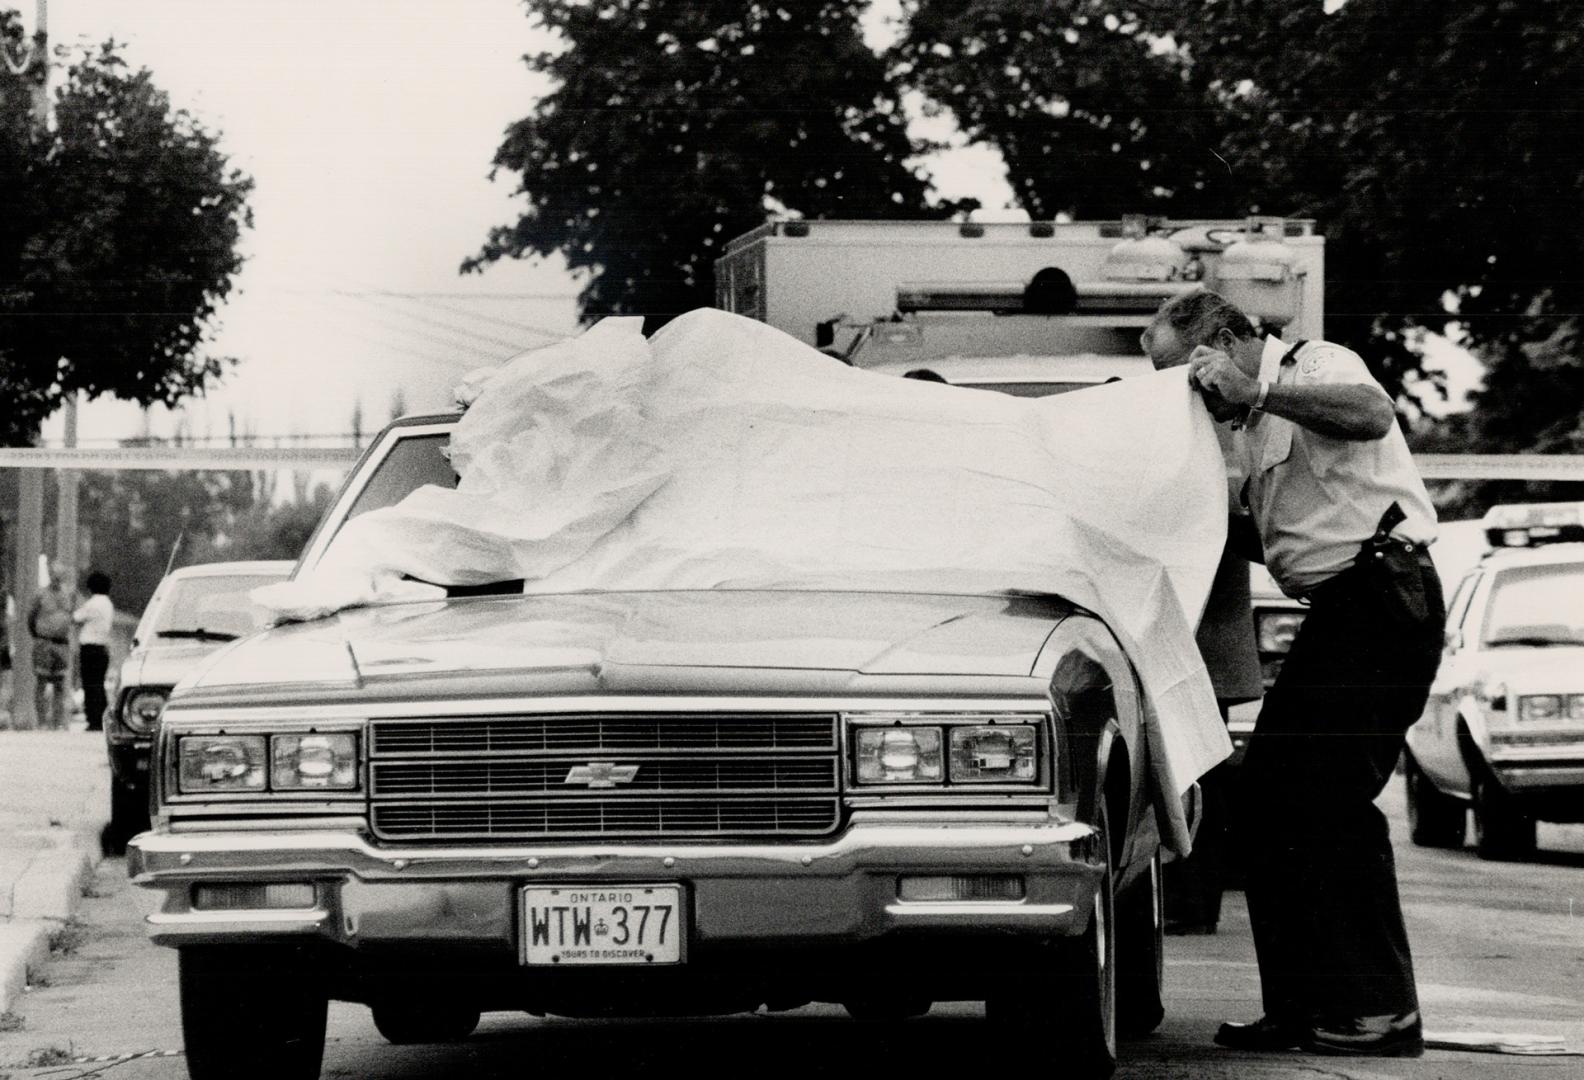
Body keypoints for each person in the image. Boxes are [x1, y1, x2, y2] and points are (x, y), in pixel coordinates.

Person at [1143, 289, 1442, 1059]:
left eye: (1186, 372)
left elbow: (1371, 415)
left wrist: (1259, 389)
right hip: (1343, 610)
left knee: (1328, 799)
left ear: (1229, 339)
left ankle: (1379, 1011)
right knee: (1267, 800)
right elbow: (1276, 535)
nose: (1188, 394)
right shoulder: (1249, 431)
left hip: (1379, 596)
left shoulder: (1313, 365)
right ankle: (1304, 1006)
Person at [27, 569, 73, 730]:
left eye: (59, 576)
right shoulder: (40, 595)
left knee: (59, 683)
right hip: (44, 643)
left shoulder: (68, 595)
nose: (56, 578)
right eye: (54, 575)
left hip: (61, 644)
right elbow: (31, 618)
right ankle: (41, 722)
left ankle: (57, 721)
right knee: (41, 681)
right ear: (50, 576)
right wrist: (38, 635)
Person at [73, 570, 114, 732]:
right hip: (102, 648)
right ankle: (102, 718)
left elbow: (76, 617)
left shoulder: (93, 603)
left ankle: (93, 720)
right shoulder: (108, 604)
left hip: (90, 648)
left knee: (90, 685)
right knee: (99, 685)